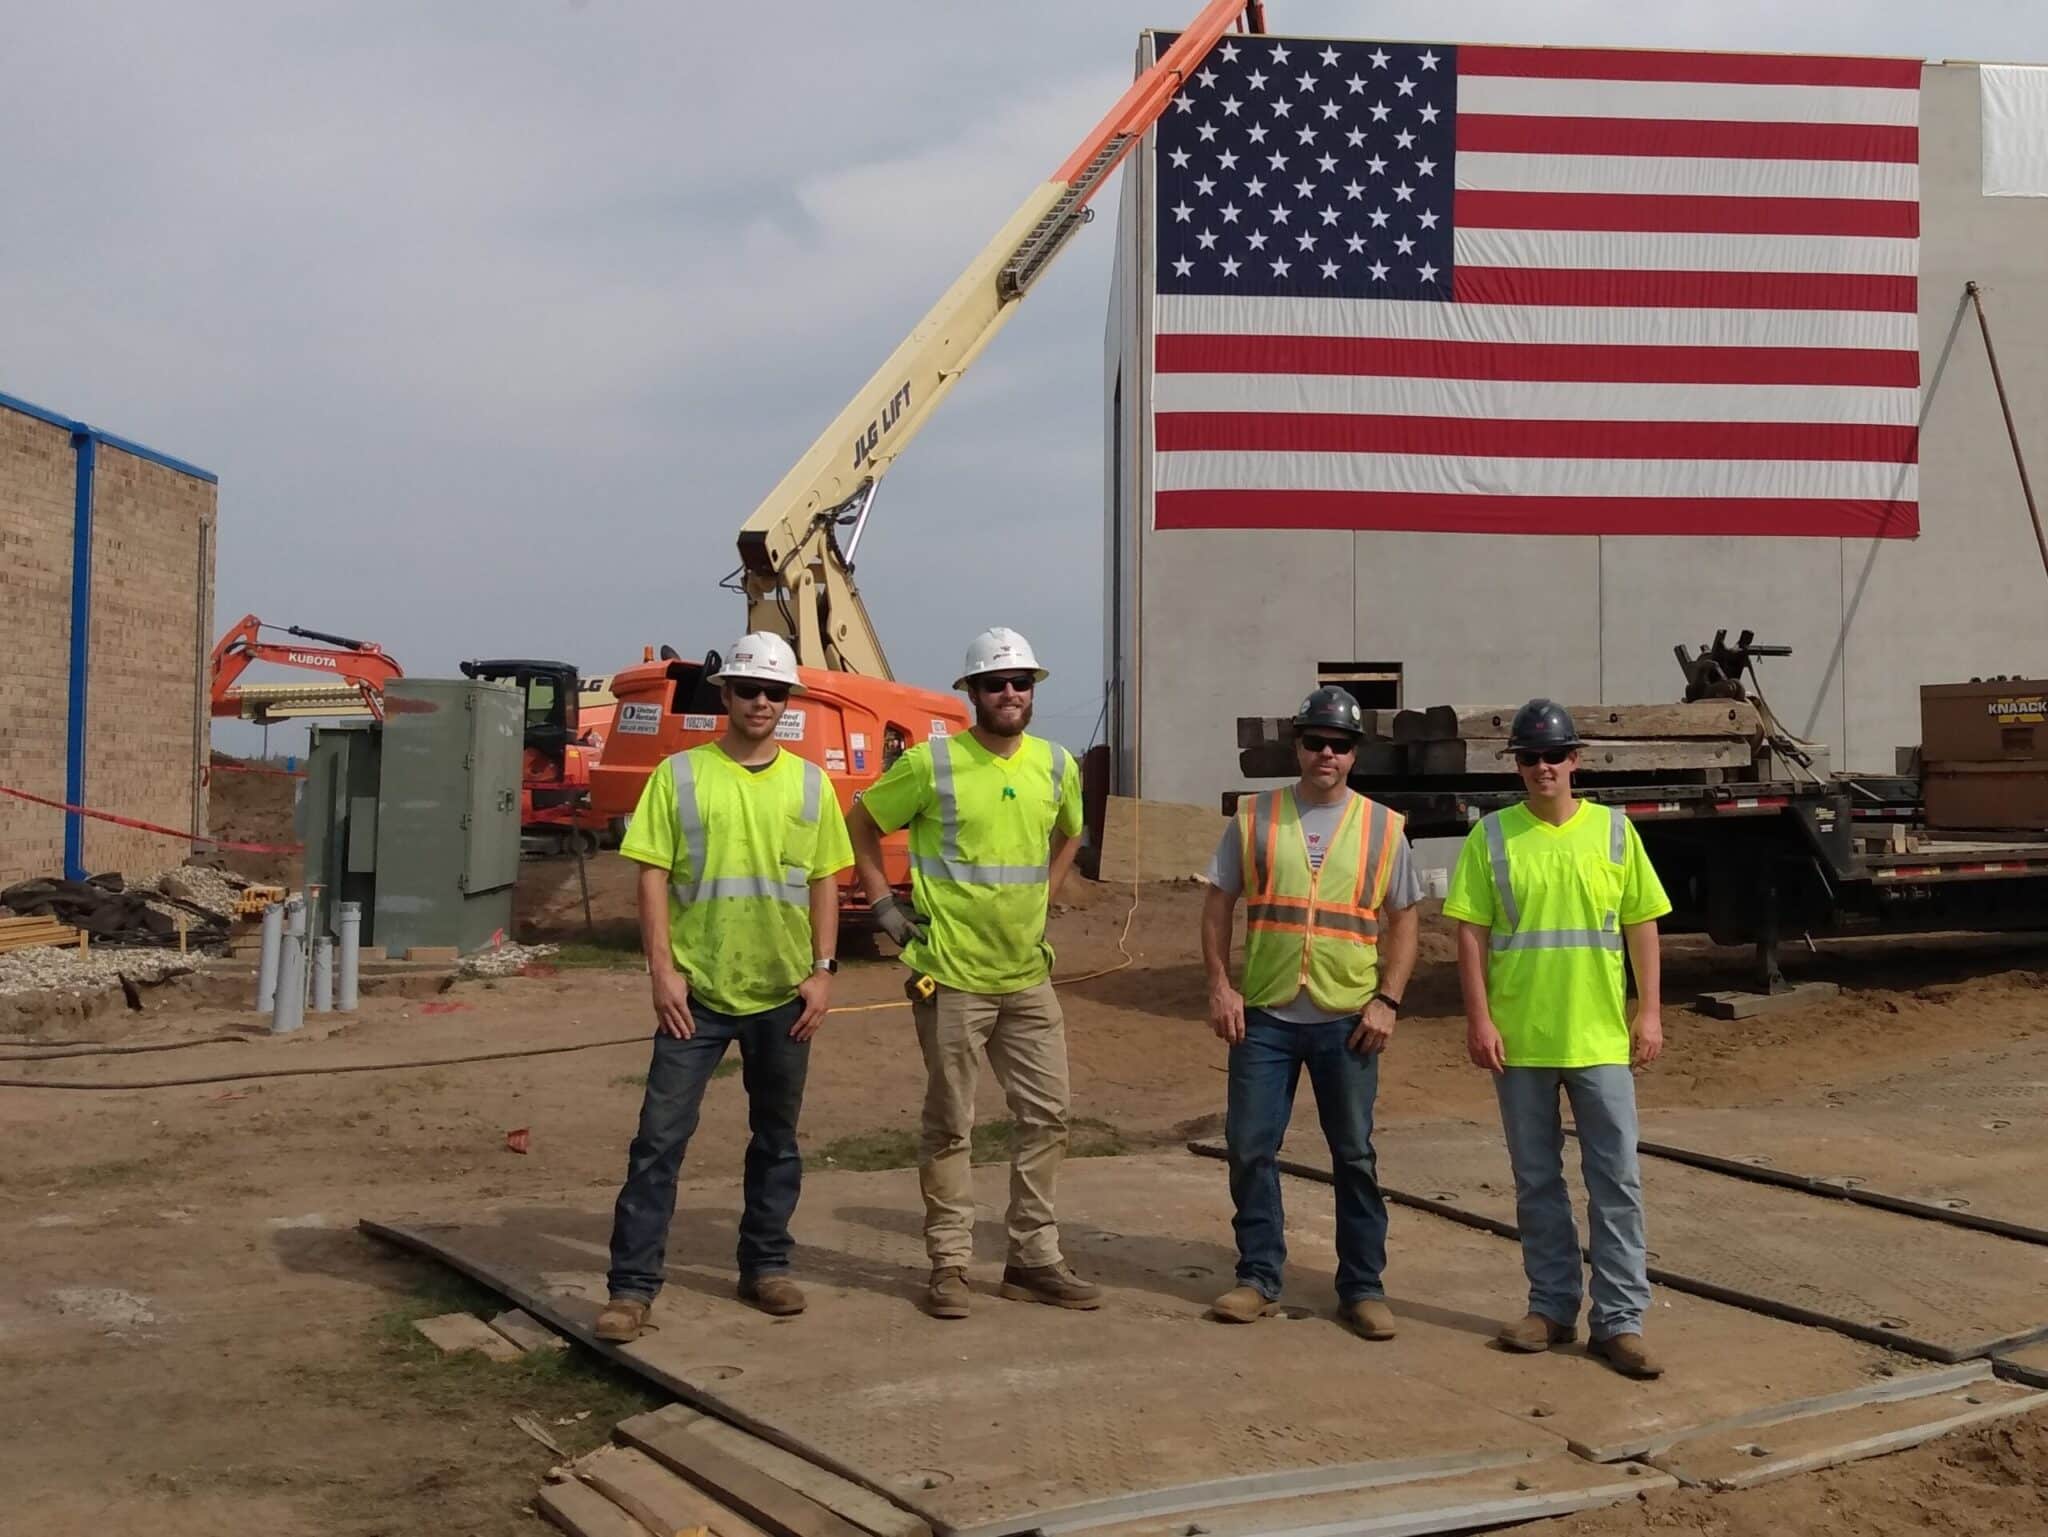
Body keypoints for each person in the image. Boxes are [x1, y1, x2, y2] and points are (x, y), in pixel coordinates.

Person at [595, 633, 853, 1341]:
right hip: (696, 994)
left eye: (774, 692)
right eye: (749, 689)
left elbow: (828, 877)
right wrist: (662, 971)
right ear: (726, 695)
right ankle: (631, 1288)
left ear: (787, 701)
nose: (762, 702)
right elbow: (649, 871)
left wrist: (823, 971)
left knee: (776, 1139)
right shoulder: (679, 776)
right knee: (657, 1140)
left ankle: (766, 1266)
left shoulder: (809, 783)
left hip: (782, 994)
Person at [848, 626, 1093, 1320]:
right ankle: (950, 1263)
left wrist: (1048, 888)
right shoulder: (934, 764)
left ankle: (1032, 1258)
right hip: (951, 976)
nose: (1009, 693)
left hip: (1025, 975)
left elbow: (1073, 828)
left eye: (1020, 682)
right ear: (973, 694)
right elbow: (861, 821)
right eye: (995, 683)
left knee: (1049, 1115)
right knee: (952, 1123)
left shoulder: (1055, 765)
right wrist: (884, 906)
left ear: (1033, 690)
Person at [1442, 699, 1672, 1380]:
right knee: (1537, 1181)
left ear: (1577, 759)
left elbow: (1643, 925)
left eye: (1554, 755)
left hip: (1599, 1039)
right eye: (1529, 757)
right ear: (1516, 764)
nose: (1542, 767)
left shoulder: (1613, 833)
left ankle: (1621, 1320)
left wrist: (1650, 1011)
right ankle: (1551, 1307)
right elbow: (1469, 933)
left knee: (1616, 1181)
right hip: (1522, 1041)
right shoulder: (1491, 838)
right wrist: (1479, 1019)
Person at [1200, 686, 1421, 1339]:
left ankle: (1362, 1286)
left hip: (1348, 1016)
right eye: (1316, 741)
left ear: (1355, 753)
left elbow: (1404, 918)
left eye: (1341, 744)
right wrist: (1219, 984)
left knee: (1353, 1154)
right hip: (1266, 1013)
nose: (1327, 753)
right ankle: (1258, 1277)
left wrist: (1388, 999)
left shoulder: (1383, 826)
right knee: (1249, 1146)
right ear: (1298, 745)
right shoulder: (1255, 816)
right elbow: (1217, 904)